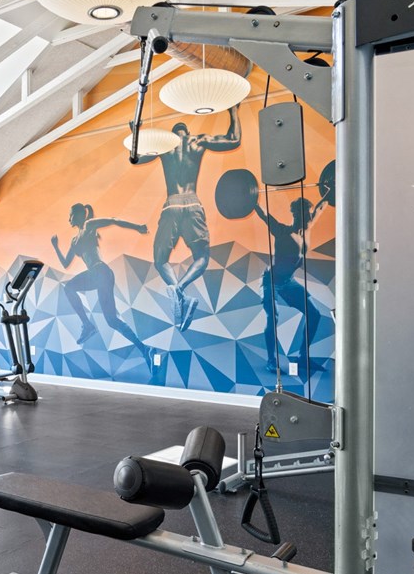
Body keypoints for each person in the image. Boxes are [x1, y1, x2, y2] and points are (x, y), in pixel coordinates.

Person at [134, 106, 242, 330]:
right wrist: (234, 111)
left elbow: (135, 159)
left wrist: (136, 132)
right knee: (201, 257)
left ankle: (176, 291)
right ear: (186, 131)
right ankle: (180, 289)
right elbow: (234, 139)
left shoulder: (165, 146)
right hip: (193, 203)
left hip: (171, 204)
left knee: (161, 260)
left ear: (174, 133)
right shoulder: (198, 141)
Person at [51, 204, 156, 369]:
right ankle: (145, 349)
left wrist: (137, 227)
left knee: (69, 288)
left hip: (100, 271)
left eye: (70, 215)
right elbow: (65, 263)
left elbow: (113, 220)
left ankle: (87, 325)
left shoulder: (89, 225)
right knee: (112, 321)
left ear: (78, 214)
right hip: (100, 276)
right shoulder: (75, 240)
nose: (69, 219)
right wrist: (55, 246)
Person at [253, 188, 332, 373]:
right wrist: (253, 200)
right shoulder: (282, 231)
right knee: (273, 317)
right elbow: (265, 216)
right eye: (304, 214)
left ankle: (303, 358)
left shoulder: (308, 227)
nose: (308, 217)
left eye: (308, 214)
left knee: (314, 314)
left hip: (288, 282)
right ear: (296, 215)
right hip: (270, 281)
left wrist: (330, 191)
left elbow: (321, 206)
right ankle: (272, 360)